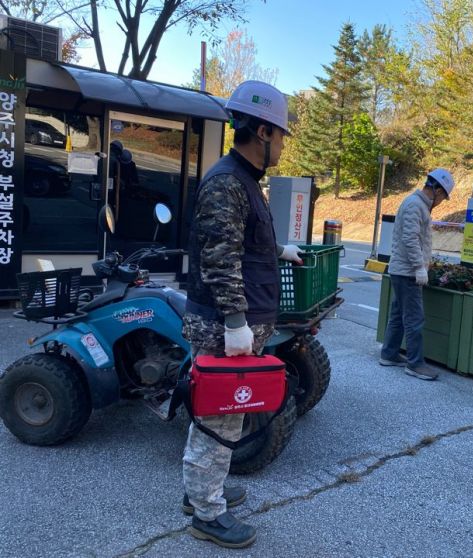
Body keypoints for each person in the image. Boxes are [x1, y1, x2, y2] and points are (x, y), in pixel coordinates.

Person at [181, 80, 303, 548]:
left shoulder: (245, 181)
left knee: (218, 418)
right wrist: (235, 322)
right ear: (261, 131)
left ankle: (202, 491)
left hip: (237, 321)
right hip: (223, 323)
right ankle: (206, 513)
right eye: (280, 135)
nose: (283, 146)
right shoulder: (228, 182)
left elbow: (244, 241)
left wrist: (278, 249)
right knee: (219, 420)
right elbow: (219, 257)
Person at [379, 168, 455, 381]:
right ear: (436, 189)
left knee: (397, 315)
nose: (441, 202)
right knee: (414, 319)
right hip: (407, 272)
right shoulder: (415, 205)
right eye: (443, 197)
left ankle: (389, 354)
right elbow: (410, 239)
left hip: (402, 270)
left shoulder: (416, 204)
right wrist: (419, 267)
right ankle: (415, 364)